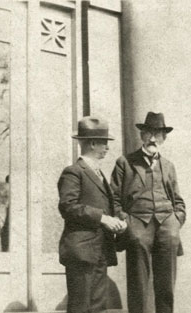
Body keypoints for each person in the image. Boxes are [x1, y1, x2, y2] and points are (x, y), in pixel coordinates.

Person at [111, 112, 186, 313]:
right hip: (138, 223)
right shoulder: (125, 162)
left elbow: (179, 201)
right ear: (142, 135)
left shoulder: (169, 166)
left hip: (167, 225)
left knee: (166, 285)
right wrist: (127, 222)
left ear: (164, 138)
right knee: (138, 284)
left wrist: (176, 221)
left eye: (158, 134)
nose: (153, 138)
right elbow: (114, 200)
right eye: (149, 133)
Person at [58, 116, 127, 313]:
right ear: (93, 143)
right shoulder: (73, 172)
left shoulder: (99, 173)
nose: (107, 148)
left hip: (100, 250)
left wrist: (119, 219)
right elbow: (68, 206)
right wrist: (103, 218)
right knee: (80, 307)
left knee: (97, 308)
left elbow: (110, 203)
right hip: (81, 252)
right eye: (104, 143)